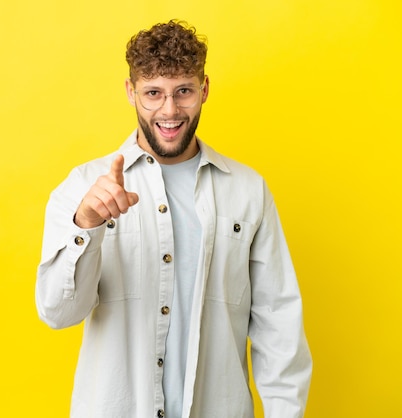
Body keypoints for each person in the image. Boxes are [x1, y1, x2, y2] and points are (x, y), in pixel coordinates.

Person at [36, 20, 312, 418]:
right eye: (153, 93)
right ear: (131, 92)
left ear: (204, 89)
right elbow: (58, 313)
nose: (169, 110)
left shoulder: (249, 191)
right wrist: (87, 226)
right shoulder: (82, 187)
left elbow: (279, 325)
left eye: (183, 91)